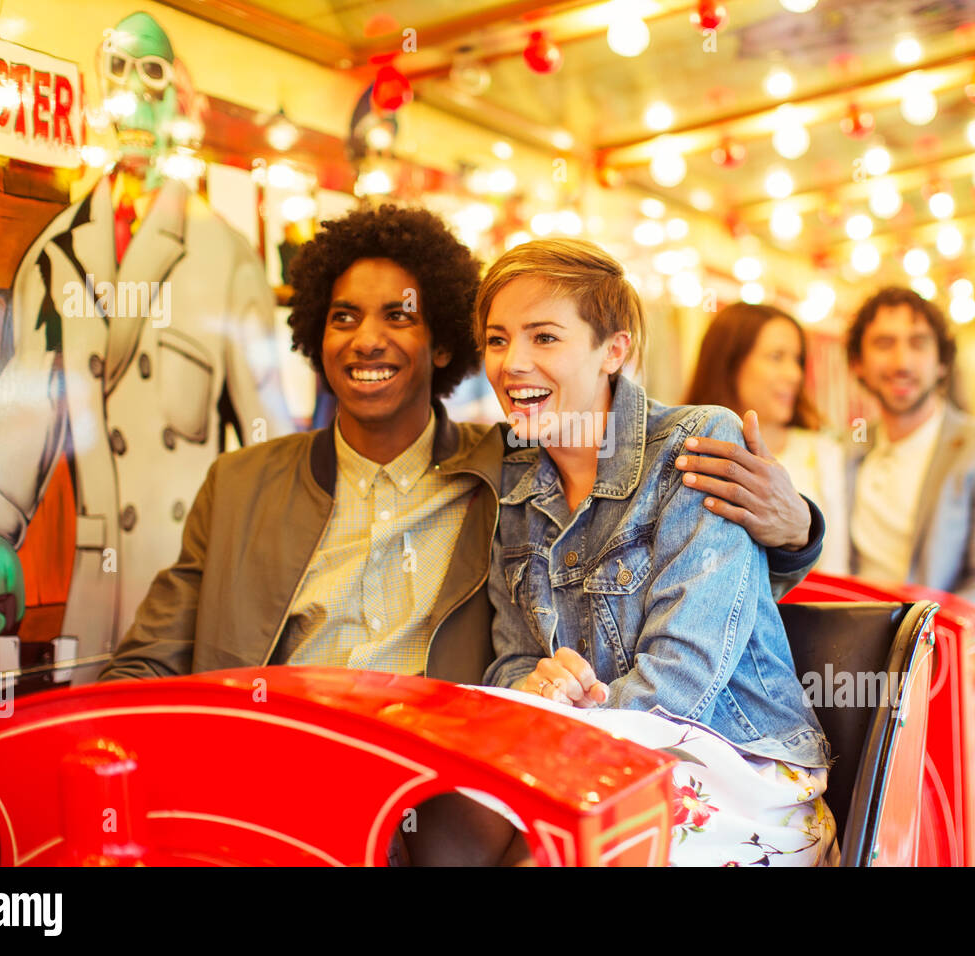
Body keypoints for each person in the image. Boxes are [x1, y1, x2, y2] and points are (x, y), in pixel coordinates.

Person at [100, 204, 817, 688]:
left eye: (398, 317)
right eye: (342, 316)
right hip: (267, 759)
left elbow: (686, 556)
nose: (367, 339)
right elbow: (149, 660)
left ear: (443, 342)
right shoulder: (239, 484)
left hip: (434, 783)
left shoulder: (504, 467)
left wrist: (796, 529)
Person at [0, 12, 293, 681]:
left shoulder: (224, 258)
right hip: (98, 593)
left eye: (155, 75)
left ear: (179, 107)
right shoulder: (56, 254)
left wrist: (274, 587)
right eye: (119, 72)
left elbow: (267, 444)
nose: (136, 94)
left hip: (194, 590)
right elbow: (30, 391)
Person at [477, 239, 836, 866]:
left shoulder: (698, 441)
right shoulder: (510, 483)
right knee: (445, 818)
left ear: (614, 350)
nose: (513, 364)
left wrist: (566, 726)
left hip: (734, 766)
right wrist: (538, 685)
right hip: (591, 762)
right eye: (498, 339)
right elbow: (510, 663)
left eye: (545, 338)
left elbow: (686, 675)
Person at [846, 286, 975, 742]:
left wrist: (907, 638)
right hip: (861, 648)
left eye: (918, 343)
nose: (901, 361)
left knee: (951, 667)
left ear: (941, 363)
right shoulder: (844, 454)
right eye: (884, 343)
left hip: (969, 640)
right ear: (857, 364)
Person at [685, 302, 849, 573]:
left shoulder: (823, 451)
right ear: (729, 362)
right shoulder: (688, 452)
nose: (795, 374)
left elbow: (836, 567)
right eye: (776, 357)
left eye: (797, 360)